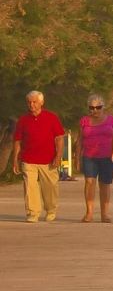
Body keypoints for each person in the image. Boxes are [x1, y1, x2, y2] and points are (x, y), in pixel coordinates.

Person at [6, 90, 66, 222]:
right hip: (28, 160)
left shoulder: (51, 117)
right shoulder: (23, 120)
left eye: (34, 102)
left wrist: (58, 156)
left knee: (50, 187)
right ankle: (33, 212)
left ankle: (51, 210)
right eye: (29, 102)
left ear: (41, 102)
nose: (32, 105)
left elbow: (60, 138)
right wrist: (15, 160)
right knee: (30, 187)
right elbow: (18, 141)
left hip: (48, 160)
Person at [75, 94, 113, 222]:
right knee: (89, 182)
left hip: (107, 155)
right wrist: (77, 158)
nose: (95, 110)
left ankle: (105, 213)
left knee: (104, 184)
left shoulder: (112, 120)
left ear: (103, 107)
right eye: (92, 108)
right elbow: (79, 141)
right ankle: (89, 213)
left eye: (98, 107)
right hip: (89, 156)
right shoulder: (84, 121)